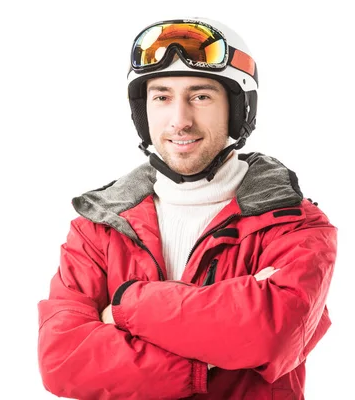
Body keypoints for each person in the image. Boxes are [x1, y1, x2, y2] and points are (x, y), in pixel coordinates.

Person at [37, 17, 337, 399]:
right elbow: (62, 363)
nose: (179, 120)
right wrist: (213, 351)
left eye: (200, 96)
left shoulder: (295, 226)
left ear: (238, 108)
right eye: (162, 97)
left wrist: (128, 305)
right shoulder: (98, 226)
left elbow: (273, 335)